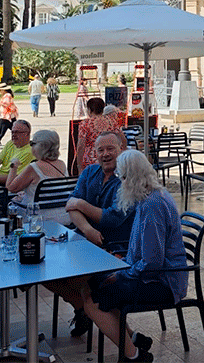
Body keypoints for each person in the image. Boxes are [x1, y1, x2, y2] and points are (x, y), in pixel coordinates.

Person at [83, 149, 188, 362]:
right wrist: (124, 263)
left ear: (130, 179)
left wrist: (121, 274)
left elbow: (152, 262)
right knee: (94, 284)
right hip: (158, 275)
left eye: (121, 177)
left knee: (94, 299)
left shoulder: (152, 205)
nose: (119, 183)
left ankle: (135, 356)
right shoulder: (150, 197)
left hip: (163, 283)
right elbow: (146, 254)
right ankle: (132, 340)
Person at [46, 132, 136, 338]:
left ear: (121, 149)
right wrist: (87, 229)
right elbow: (70, 206)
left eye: (110, 149)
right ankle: (82, 308)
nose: (105, 154)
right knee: (45, 269)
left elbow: (111, 218)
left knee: (81, 281)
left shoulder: (128, 179)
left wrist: (80, 204)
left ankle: (91, 311)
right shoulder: (89, 173)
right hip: (85, 241)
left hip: (114, 249)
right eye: (100, 150)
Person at [6, 129, 69, 224]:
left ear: (41, 147)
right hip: (64, 215)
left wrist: (13, 166)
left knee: (7, 205)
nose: (30, 146)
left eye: (32, 143)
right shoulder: (62, 164)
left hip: (39, 219)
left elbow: (10, 187)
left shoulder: (34, 167)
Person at [77, 97, 127, 173]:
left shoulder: (85, 124)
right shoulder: (111, 121)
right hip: (110, 159)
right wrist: (123, 154)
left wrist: (79, 165)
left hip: (91, 161)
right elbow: (123, 139)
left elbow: (81, 146)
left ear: (89, 110)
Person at [0, 120, 34, 185]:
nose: (14, 135)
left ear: (27, 134)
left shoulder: (30, 152)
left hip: (6, 185)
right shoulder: (10, 143)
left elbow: (16, 178)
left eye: (17, 132)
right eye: (12, 132)